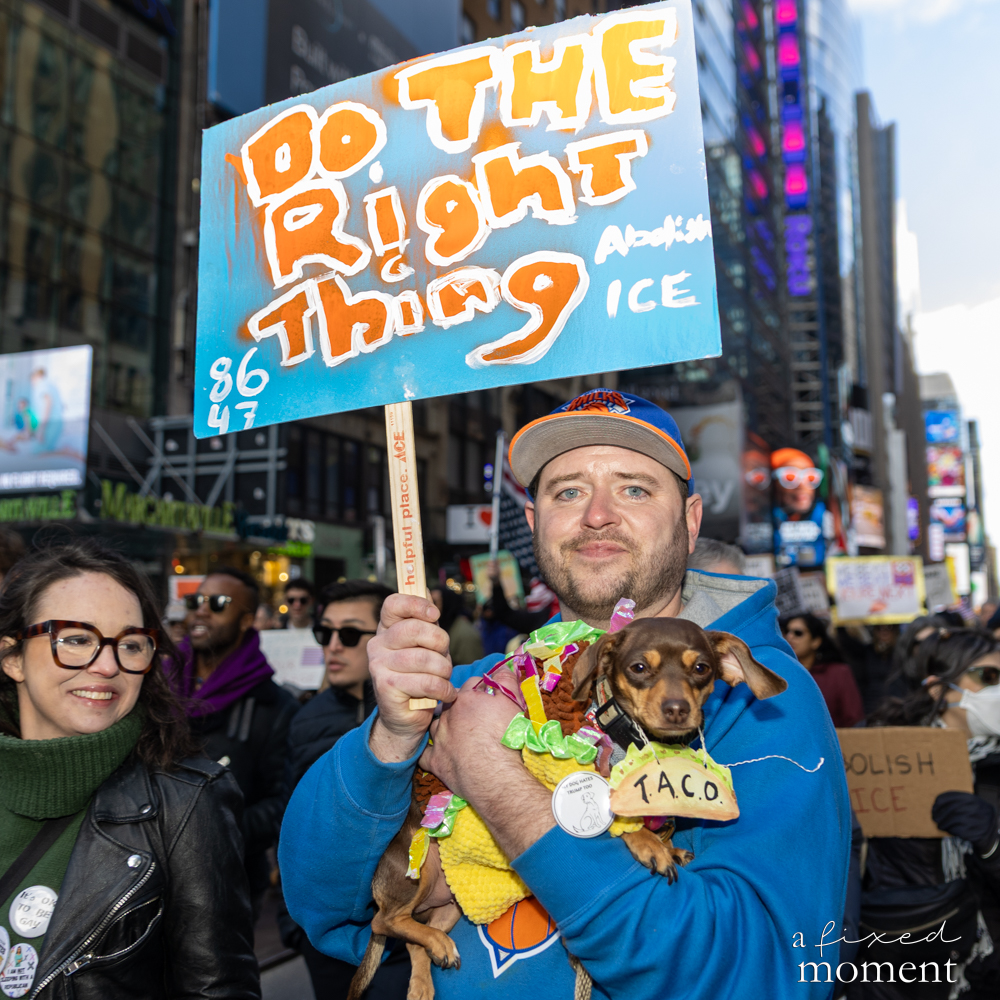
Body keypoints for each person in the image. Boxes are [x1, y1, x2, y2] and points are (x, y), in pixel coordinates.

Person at [280, 388, 851, 999]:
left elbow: (758, 978)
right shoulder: (476, 686)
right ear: (533, 524)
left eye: (634, 488)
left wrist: (493, 777)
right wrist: (391, 740)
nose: (597, 514)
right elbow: (323, 906)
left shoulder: (757, 703)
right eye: (568, 491)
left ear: (688, 522)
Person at [0, 540, 259, 998]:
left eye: (130, 644)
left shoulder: (184, 804)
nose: (106, 665)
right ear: (12, 657)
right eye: (77, 639)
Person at [282, 580, 409, 999]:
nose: (334, 645)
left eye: (351, 634)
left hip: (408, 926)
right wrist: (294, 929)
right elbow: (293, 821)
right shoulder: (306, 718)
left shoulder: (423, 708)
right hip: (330, 939)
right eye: (325, 632)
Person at [859, 629, 1000, 999]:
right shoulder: (877, 752)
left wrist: (993, 844)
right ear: (940, 687)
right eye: (988, 677)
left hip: (986, 960)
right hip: (903, 953)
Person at [170, 567, 298, 916]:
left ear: (245, 620)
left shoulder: (273, 706)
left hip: (228, 881)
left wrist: (213, 831)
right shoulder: (158, 686)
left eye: (218, 603)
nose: (201, 610)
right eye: (196, 600)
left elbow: (281, 803)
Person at [781, 612, 864, 727]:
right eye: (786, 632)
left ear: (816, 642)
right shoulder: (779, 672)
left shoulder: (839, 673)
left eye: (798, 633)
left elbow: (853, 718)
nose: (790, 637)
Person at [430, 585, 484, 665]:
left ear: (447, 603)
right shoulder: (444, 628)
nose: (430, 607)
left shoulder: (465, 635)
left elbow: (473, 672)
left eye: (434, 602)